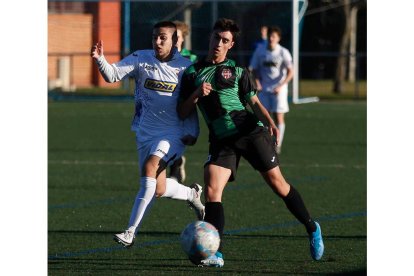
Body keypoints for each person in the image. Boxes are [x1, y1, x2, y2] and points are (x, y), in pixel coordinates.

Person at [177, 18, 324, 267]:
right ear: (210, 37)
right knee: (212, 190)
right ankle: (216, 253)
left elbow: (253, 102)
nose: (218, 43)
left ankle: (312, 227)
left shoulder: (237, 71)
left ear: (231, 44)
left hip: (249, 132)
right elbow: (182, 111)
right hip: (221, 140)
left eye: (225, 41)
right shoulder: (192, 73)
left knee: (279, 185)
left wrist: (271, 122)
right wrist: (196, 94)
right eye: (216, 38)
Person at [90, 21, 204, 248]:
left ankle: (130, 232)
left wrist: (192, 131)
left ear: (174, 41)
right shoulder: (141, 58)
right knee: (159, 188)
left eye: (163, 37)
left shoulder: (186, 68)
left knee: (150, 168)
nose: (158, 41)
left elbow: (193, 103)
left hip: (172, 134)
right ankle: (192, 194)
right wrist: (100, 60)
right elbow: (112, 76)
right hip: (144, 133)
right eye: (155, 37)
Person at [249, 26, 294, 154]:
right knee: (264, 117)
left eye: (274, 36)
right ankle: (266, 142)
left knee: (278, 117)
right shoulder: (260, 50)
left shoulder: (283, 52)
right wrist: (257, 82)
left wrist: (281, 85)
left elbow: (291, 71)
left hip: (279, 89)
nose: (271, 38)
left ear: (278, 38)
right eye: (269, 36)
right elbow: (254, 68)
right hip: (264, 89)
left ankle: (277, 143)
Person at [167, 20, 199, 183]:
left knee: (181, 138)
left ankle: (176, 165)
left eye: (177, 36)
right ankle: (175, 165)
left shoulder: (191, 59)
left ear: (182, 38)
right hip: (167, 105)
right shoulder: (163, 57)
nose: (174, 40)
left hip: (185, 106)